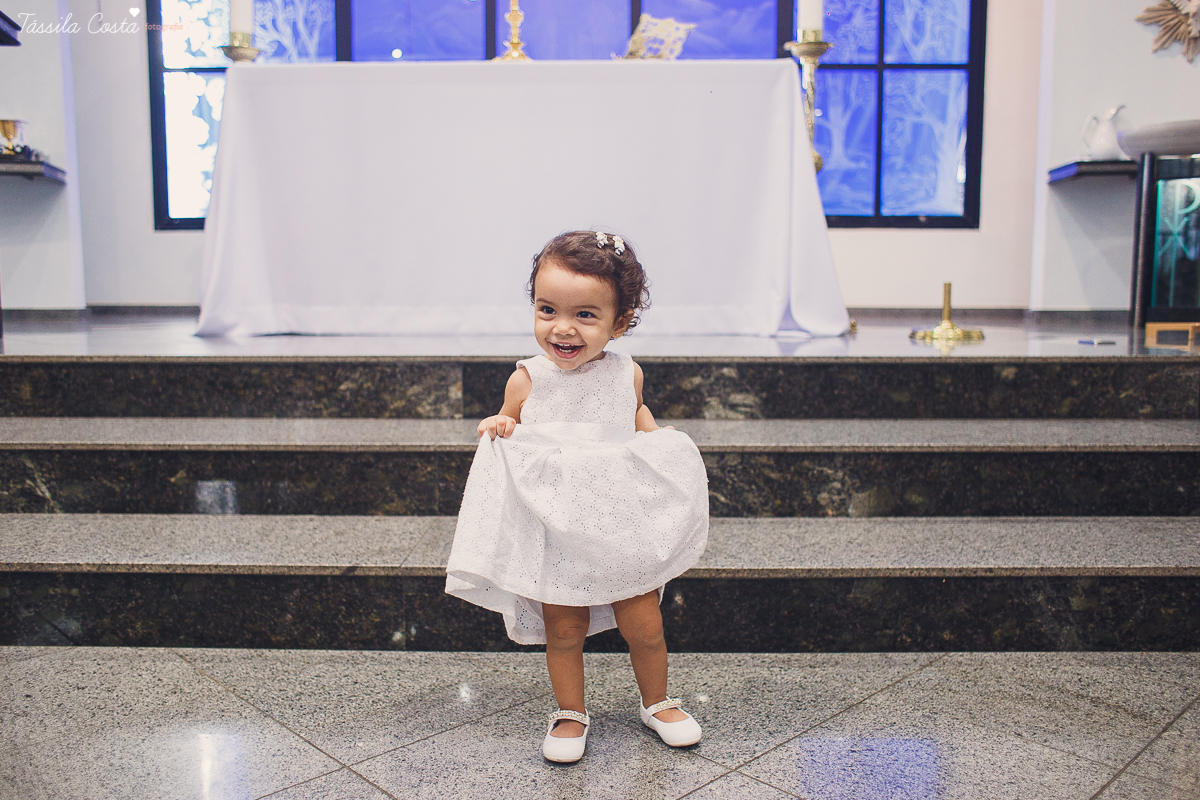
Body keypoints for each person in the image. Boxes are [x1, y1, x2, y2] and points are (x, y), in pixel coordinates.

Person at [445, 230, 710, 764]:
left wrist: (659, 446)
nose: (562, 328)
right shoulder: (528, 379)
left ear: (621, 320)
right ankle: (570, 711)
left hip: (618, 521)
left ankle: (656, 701)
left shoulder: (625, 373)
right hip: (559, 523)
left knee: (645, 623)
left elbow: (636, 421)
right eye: (547, 309)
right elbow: (512, 420)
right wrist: (501, 424)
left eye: (585, 315)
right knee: (564, 627)